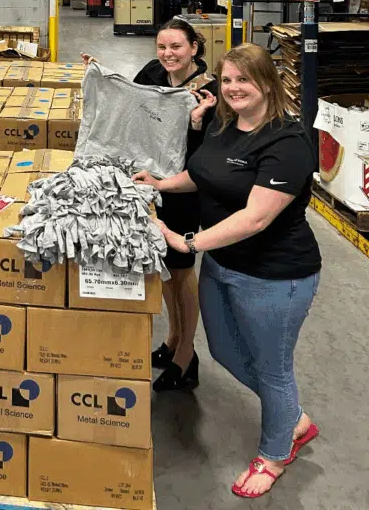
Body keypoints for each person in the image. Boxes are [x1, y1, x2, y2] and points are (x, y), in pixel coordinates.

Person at [135, 44, 321, 498]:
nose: (234, 88)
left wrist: (187, 242)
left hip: (276, 275)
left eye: (244, 79)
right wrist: (161, 183)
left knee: (272, 368)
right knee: (223, 351)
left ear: (268, 83)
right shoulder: (226, 125)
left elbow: (256, 217)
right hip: (224, 264)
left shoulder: (288, 142)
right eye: (228, 79)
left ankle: (276, 452)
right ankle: (292, 415)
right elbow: (203, 174)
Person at [83, 17, 217, 393]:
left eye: (176, 46)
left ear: (193, 48)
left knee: (182, 269)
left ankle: (187, 357)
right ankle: (172, 340)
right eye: (162, 46)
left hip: (184, 191)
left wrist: (193, 125)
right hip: (150, 186)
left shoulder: (207, 91)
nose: (168, 54)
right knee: (167, 271)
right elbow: (130, 103)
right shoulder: (154, 71)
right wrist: (100, 77)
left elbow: (208, 154)